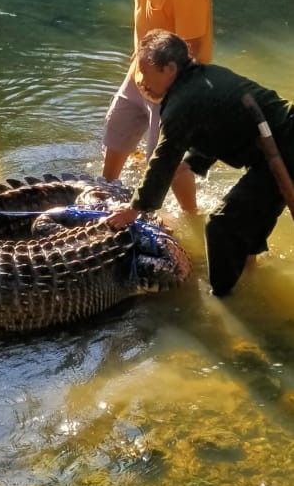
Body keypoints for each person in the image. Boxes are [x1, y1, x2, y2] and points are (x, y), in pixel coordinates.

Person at [105, 29, 294, 298]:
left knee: (221, 225)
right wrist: (192, 163)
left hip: (284, 149)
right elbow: (224, 129)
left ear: (170, 69)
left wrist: (135, 209)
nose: (141, 82)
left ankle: (225, 300)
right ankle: (251, 276)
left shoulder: (181, 102)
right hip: (277, 148)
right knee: (248, 217)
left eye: (146, 73)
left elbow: (163, 159)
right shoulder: (204, 78)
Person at [102, 0, 213, 213]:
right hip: (140, 70)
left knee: (165, 159)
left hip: (171, 83)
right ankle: (106, 190)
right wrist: (137, 67)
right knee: (116, 128)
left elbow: (190, 49)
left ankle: (191, 217)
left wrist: (164, 94)